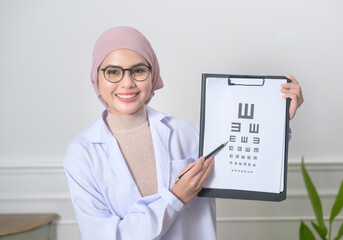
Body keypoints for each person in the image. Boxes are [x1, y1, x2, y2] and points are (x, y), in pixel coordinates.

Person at [64, 26, 303, 240]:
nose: (127, 83)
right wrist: (175, 198)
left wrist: (277, 118)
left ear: (153, 74)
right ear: (97, 77)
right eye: (113, 72)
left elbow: (242, 162)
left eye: (138, 70)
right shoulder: (81, 154)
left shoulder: (187, 134)